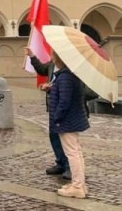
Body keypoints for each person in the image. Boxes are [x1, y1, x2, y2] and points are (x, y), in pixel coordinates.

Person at [24, 46, 71, 180]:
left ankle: (69, 167)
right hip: (53, 107)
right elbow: (41, 69)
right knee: (54, 136)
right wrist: (32, 56)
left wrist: (52, 87)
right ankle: (61, 162)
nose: (50, 54)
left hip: (65, 109)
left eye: (52, 53)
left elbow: (66, 88)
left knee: (66, 140)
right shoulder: (52, 65)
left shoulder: (68, 69)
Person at [48, 50, 89, 199]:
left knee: (72, 153)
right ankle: (80, 183)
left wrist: (57, 118)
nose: (51, 57)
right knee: (76, 151)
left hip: (67, 120)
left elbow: (64, 101)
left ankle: (77, 186)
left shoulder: (65, 76)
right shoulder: (69, 74)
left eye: (52, 54)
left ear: (59, 57)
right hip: (72, 119)